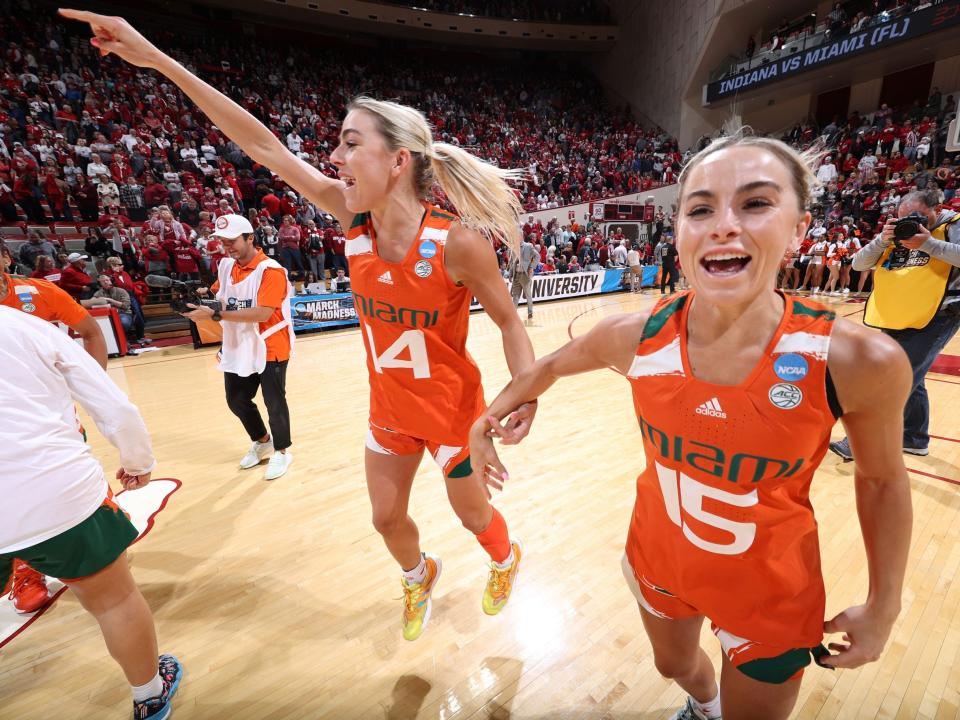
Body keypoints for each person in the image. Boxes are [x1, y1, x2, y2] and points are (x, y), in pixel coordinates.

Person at [61, 8, 537, 642]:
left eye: (349, 143)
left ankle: (505, 560)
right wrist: (158, 61)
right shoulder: (350, 218)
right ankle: (419, 574)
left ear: (397, 161)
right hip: (391, 408)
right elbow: (262, 146)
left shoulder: (458, 244)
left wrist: (522, 394)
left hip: (454, 412)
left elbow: (508, 321)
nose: (334, 156)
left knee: (475, 516)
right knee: (386, 521)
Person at [469, 134, 913, 720]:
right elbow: (550, 365)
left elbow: (881, 481)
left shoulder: (857, 359)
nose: (723, 225)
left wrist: (884, 606)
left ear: (799, 230)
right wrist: (495, 413)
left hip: (770, 590)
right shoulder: (632, 335)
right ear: (677, 233)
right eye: (700, 209)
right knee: (675, 668)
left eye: (754, 203)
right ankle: (702, 706)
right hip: (660, 557)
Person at [0, 305, 181, 720]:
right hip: (54, 493)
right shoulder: (29, 328)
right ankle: (150, 695)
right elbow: (115, 408)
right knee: (113, 602)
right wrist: (137, 464)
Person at [830, 188, 960, 461]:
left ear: (938, 209)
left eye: (920, 216)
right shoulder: (898, 232)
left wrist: (927, 244)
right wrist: (881, 240)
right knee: (914, 376)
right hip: (899, 313)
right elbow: (857, 264)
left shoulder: (953, 224)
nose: (912, 221)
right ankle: (914, 439)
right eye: (904, 217)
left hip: (940, 314)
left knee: (895, 378)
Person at [182, 214, 296, 482]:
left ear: (250, 238)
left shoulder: (272, 271)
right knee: (236, 400)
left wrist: (213, 315)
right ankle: (262, 440)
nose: (227, 246)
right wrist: (198, 297)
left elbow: (262, 313)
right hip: (238, 343)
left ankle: (281, 451)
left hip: (270, 344)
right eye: (222, 241)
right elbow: (219, 295)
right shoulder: (225, 266)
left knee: (274, 402)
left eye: (232, 240)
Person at [510, 235, 538, 321]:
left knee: (528, 295)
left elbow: (537, 256)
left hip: (525, 275)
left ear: (521, 237)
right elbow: (512, 262)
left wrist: (532, 267)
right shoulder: (514, 248)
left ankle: (530, 312)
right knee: (515, 296)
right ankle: (513, 314)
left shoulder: (528, 246)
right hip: (517, 275)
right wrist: (511, 274)